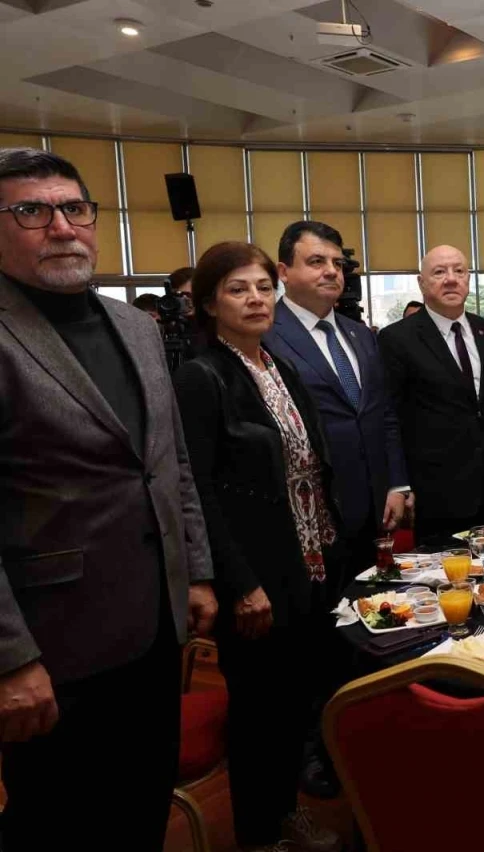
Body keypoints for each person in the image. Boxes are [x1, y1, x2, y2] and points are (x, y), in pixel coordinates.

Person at [0, 146, 216, 852]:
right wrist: (10, 659)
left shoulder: (136, 327)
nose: (61, 227)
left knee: (138, 806)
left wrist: (196, 571)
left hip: (153, 627)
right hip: (52, 644)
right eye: (31, 211)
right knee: (59, 823)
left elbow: (170, 462)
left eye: (75, 208)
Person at [173, 241, 341, 852]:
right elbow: (197, 490)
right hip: (254, 575)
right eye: (238, 289)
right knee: (257, 712)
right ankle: (258, 835)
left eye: (264, 287)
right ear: (208, 303)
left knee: (293, 703)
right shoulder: (202, 376)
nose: (255, 299)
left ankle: (285, 812)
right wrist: (240, 582)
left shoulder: (279, 367)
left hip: (307, 561)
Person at [263, 220, 409, 797]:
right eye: (315, 261)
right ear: (284, 272)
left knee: (366, 627)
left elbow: (384, 415)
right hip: (309, 520)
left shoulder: (359, 334)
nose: (330, 272)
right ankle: (316, 750)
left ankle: (365, 734)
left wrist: (396, 483)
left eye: (337, 263)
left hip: (372, 510)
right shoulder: (267, 334)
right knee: (316, 641)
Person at [380, 245, 484, 540]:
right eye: (439, 272)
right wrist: (400, 483)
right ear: (422, 283)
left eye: (459, 271)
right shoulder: (398, 338)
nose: (451, 279)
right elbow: (390, 417)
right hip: (436, 491)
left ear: (468, 278)